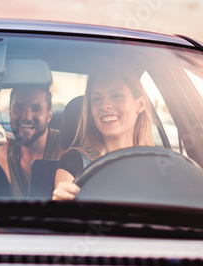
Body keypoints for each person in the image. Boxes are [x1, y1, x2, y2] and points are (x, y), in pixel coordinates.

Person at [52, 71, 154, 201]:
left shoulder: (161, 163)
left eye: (117, 95)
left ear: (140, 105)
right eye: (96, 99)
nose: (104, 105)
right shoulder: (74, 163)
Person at [0, 87, 63, 197]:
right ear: (10, 112)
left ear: (49, 116)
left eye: (36, 109)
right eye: (19, 107)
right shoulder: (5, 149)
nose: (26, 117)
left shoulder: (65, 148)